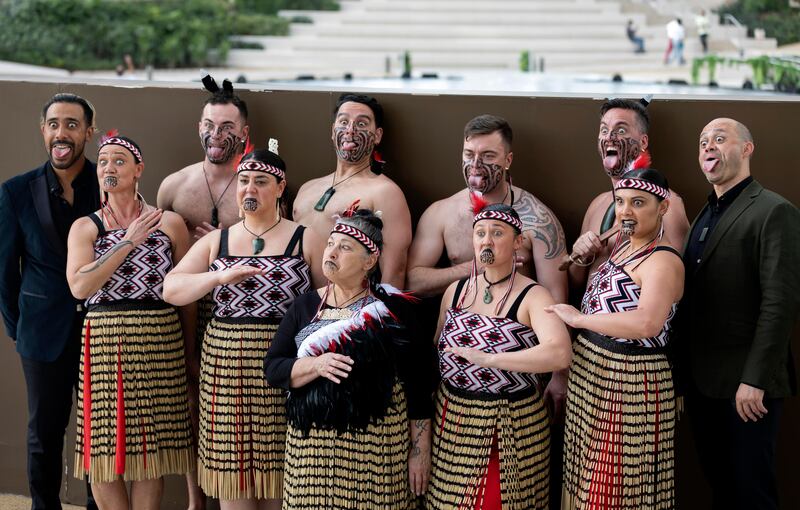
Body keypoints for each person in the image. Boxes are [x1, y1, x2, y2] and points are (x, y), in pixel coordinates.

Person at [163, 142, 324, 508]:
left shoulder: (305, 238)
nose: (250, 189)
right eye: (244, 181)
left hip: (282, 367)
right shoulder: (218, 240)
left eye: (261, 182)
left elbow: (330, 303)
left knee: (278, 482)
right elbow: (172, 288)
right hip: (226, 371)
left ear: (280, 188)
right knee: (233, 482)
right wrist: (218, 279)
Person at [264, 206, 435, 509]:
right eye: (330, 244)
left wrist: (418, 451)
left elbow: (419, 384)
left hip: (377, 453)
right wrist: (316, 364)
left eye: (344, 247)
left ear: (370, 260)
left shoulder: (394, 310)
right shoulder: (305, 305)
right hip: (311, 454)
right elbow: (274, 368)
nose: (332, 252)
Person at [677, 118, 800, 509]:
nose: (708, 147)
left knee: (752, 493)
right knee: (722, 487)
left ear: (747, 149)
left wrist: (754, 380)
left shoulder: (774, 210)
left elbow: (780, 302)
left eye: (719, 139)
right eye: (702, 142)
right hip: (703, 385)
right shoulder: (703, 216)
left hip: (748, 388)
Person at [66, 133, 194, 508]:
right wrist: (128, 241)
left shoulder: (169, 223)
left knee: (147, 452)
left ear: (139, 170)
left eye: (119, 160)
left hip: (160, 339)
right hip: (105, 341)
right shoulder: (85, 227)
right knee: (104, 453)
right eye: (103, 161)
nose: (109, 167)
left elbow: (184, 295)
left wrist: (188, 351)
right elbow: (79, 285)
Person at [548, 168, 684, 509]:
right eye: (620, 202)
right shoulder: (621, 248)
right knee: (584, 479)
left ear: (663, 208)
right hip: (592, 375)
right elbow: (572, 269)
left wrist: (580, 319)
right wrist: (587, 252)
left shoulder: (662, 261)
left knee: (611, 489)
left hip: (629, 382)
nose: (626, 211)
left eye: (638, 203)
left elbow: (647, 323)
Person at [425, 202, 572, 510]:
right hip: (453, 421)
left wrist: (490, 359)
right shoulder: (456, 291)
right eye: (480, 233)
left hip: (508, 424)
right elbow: (437, 343)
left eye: (497, 232)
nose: (486, 240)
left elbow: (559, 353)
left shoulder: (533, 295)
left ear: (518, 241)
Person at [0, 93, 100, 510]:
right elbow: (5, 272)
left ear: (88, 133)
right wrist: (21, 328)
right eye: (55, 123)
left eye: (72, 124)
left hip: (100, 328)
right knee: (44, 432)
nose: (63, 133)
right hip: (41, 332)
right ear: (44, 130)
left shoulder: (109, 182)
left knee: (100, 434)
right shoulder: (15, 191)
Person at [157, 74, 250, 508]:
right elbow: (159, 252)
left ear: (244, 134)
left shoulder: (257, 188)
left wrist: (224, 245)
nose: (217, 135)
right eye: (210, 125)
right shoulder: (175, 186)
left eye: (228, 127)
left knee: (230, 413)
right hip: (182, 306)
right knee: (190, 401)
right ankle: (197, 501)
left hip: (237, 315)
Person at [292, 93, 411, 289]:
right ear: (333, 131)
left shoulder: (385, 192)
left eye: (362, 124)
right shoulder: (307, 188)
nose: (351, 130)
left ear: (378, 135)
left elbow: (394, 272)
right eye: (344, 121)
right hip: (295, 306)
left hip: (346, 309)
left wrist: (373, 317)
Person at [568, 99, 688, 292]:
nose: (610, 137)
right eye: (604, 130)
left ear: (643, 142)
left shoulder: (666, 203)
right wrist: (580, 255)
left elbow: (676, 279)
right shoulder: (598, 204)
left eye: (621, 130)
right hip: (588, 318)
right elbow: (575, 283)